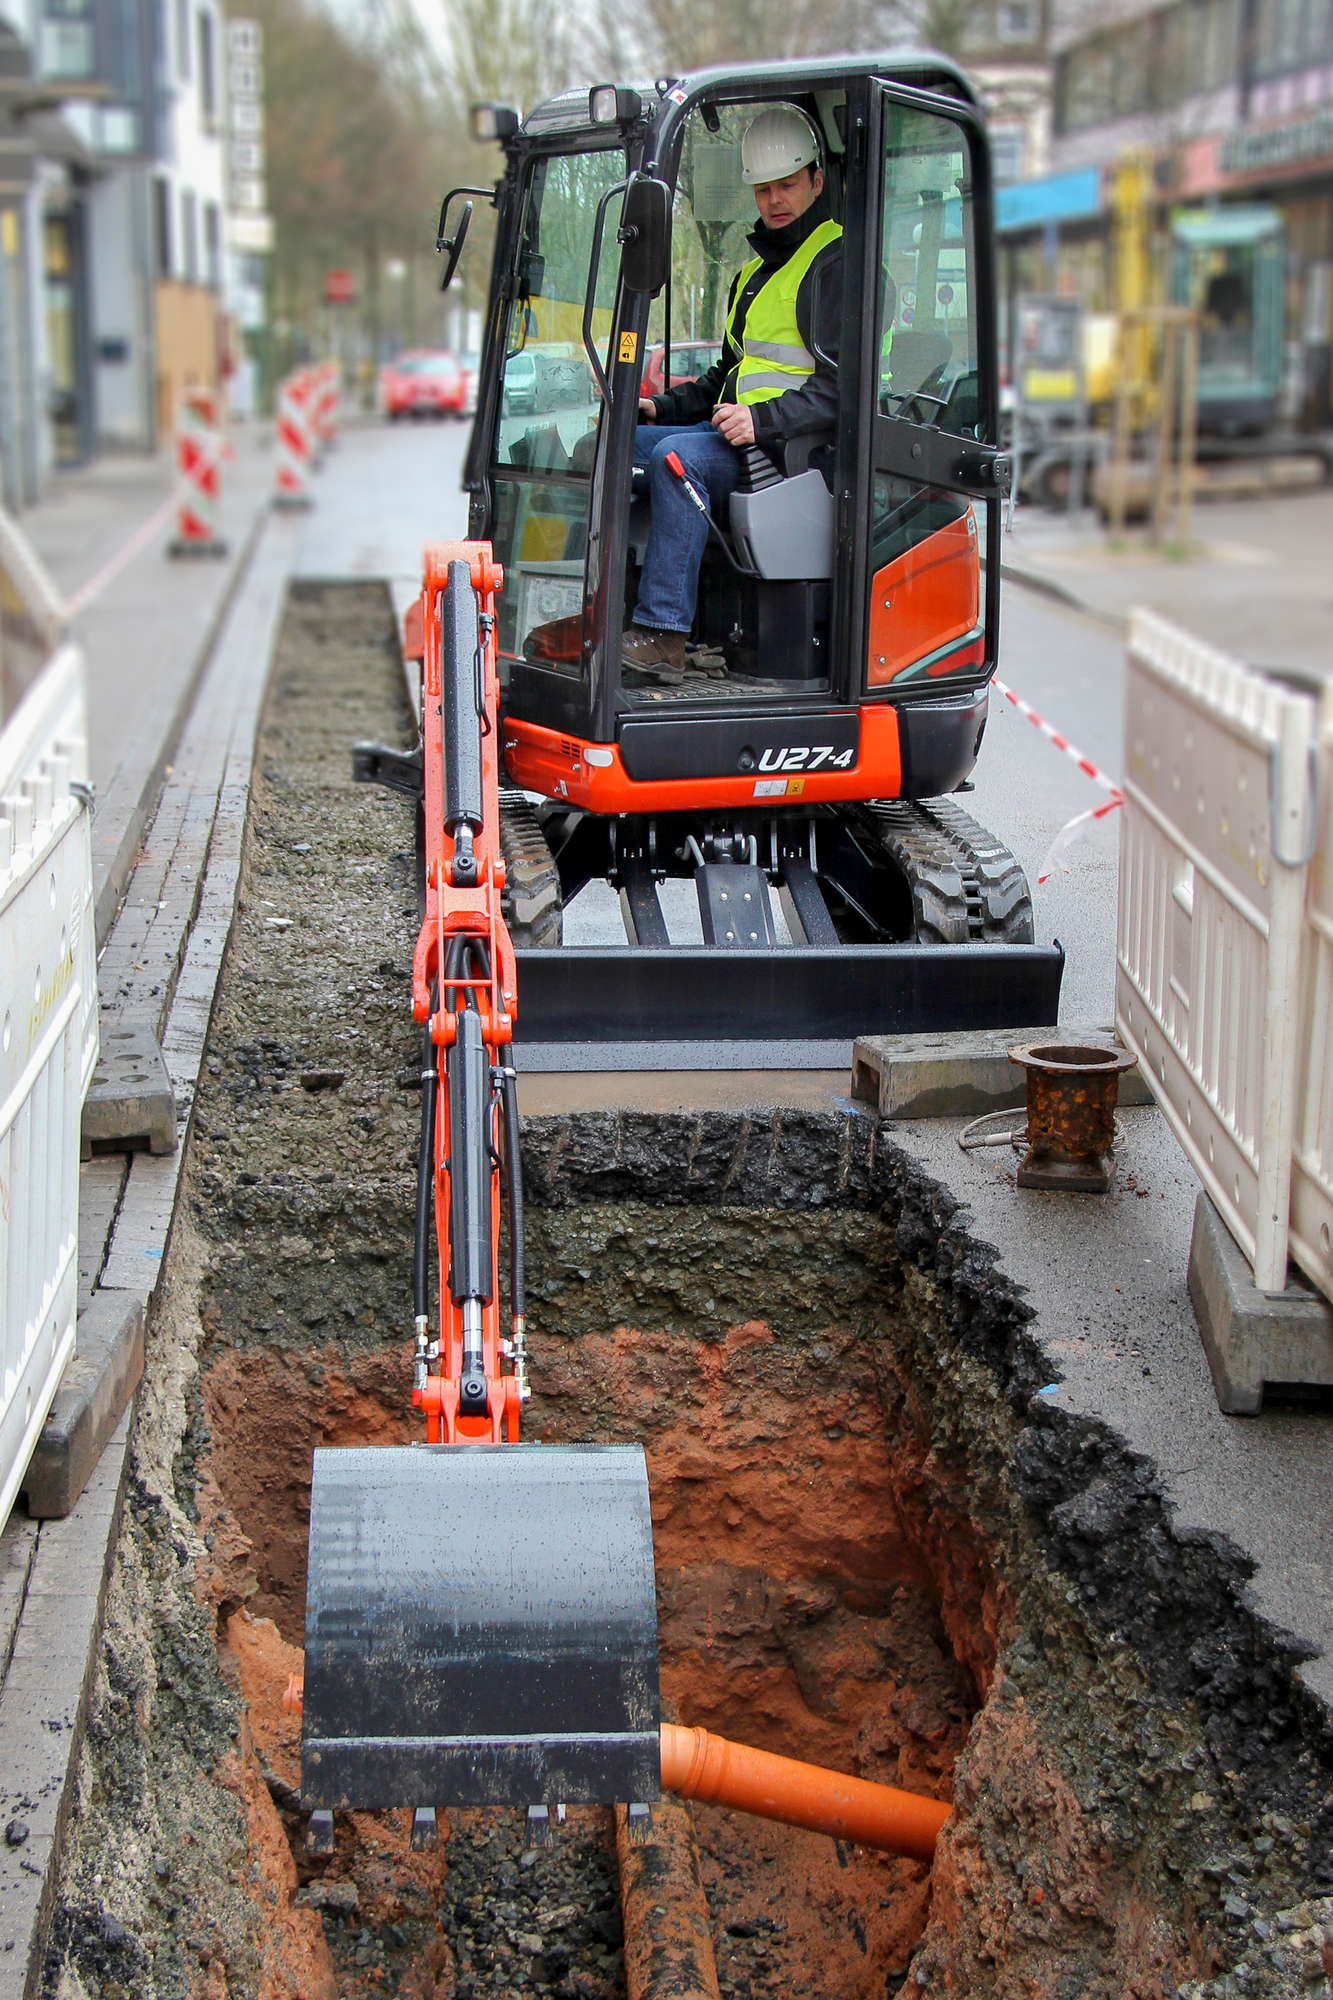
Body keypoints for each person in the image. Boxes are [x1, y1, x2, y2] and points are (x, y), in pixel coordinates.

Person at [625, 104, 842, 680]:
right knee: (614, 447)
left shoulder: (837, 266)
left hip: (794, 453)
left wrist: (762, 421)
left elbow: (845, 389)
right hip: (737, 437)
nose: (775, 200)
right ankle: (593, 613)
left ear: (817, 181)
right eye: (764, 188)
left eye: (788, 185)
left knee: (677, 460)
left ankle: (664, 632)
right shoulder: (755, 275)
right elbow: (727, 373)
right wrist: (659, 406)